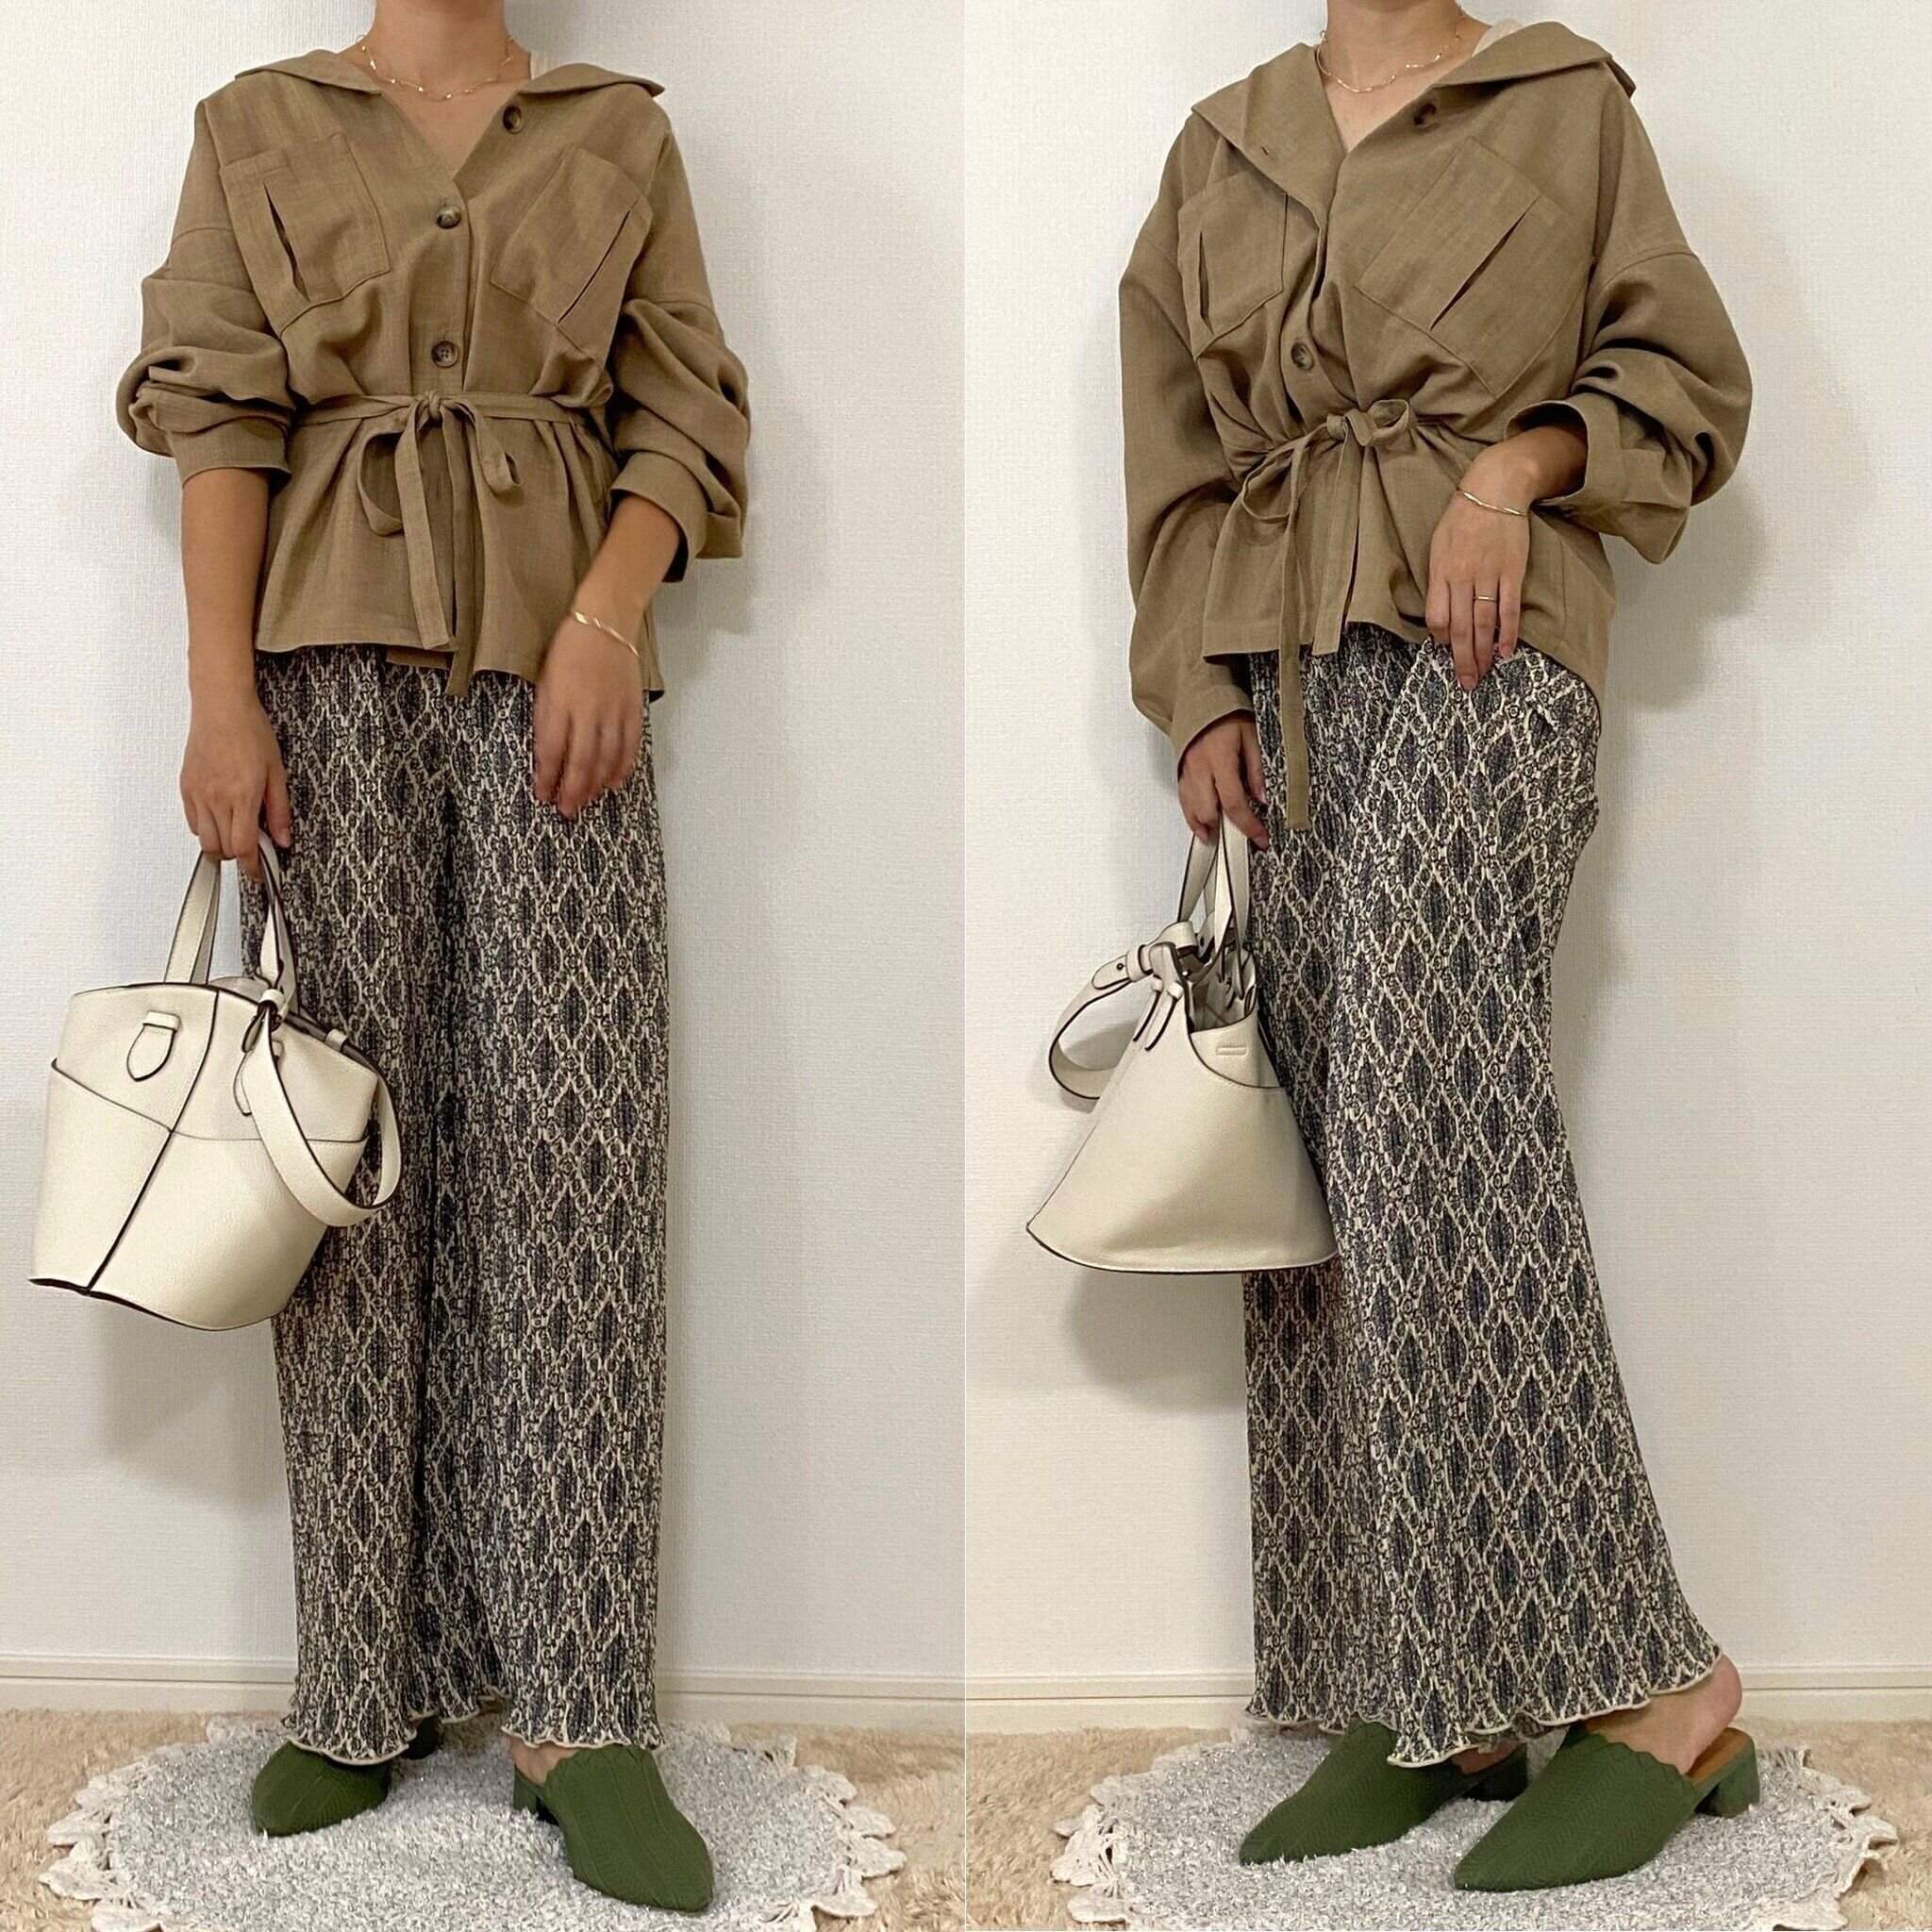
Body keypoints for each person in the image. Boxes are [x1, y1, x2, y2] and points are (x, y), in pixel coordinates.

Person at [114, 4, 749, 1909]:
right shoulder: (254, 123)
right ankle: (357, 1684)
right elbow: (216, 416)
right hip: (319, 682)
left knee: (575, 1164)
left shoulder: (619, 133)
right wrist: (221, 701)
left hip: (560, 688)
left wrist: (604, 618)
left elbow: (687, 411)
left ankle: (580, 1707)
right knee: (341, 1174)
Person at [1118, 2, 1753, 1890]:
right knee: (1318, 1147)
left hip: (1491, 650)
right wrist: (1194, 691)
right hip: (1286, 677)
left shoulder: (1559, 103)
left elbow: (1687, 379)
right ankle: (1430, 1687)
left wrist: (1514, 468)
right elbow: (1175, 467)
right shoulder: (1221, 144)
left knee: (1431, 1102)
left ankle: (1661, 1683)